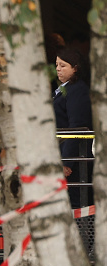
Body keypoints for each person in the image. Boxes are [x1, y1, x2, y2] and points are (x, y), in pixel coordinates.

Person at [53, 47, 93, 208]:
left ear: (75, 68)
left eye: (63, 65)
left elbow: (77, 126)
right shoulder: (65, 88)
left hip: (75, 161)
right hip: (62, 154)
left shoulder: (77, 90)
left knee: (76, 205)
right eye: (56, 64)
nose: (58, 69)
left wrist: (67, 161)